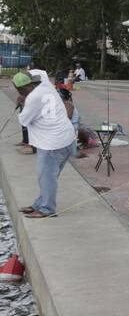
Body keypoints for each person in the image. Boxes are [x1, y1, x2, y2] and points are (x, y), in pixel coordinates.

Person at [13, 71, 77, 218]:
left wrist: (22, 101)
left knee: (47, 177)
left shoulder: (33, 98)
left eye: (19, 90)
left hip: (52, 144)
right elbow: (40, 72)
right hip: (66, 139)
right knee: (49, 177)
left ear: (23, 89)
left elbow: (23, 120)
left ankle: (47, 209)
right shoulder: (46, 84)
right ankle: (39, 204)